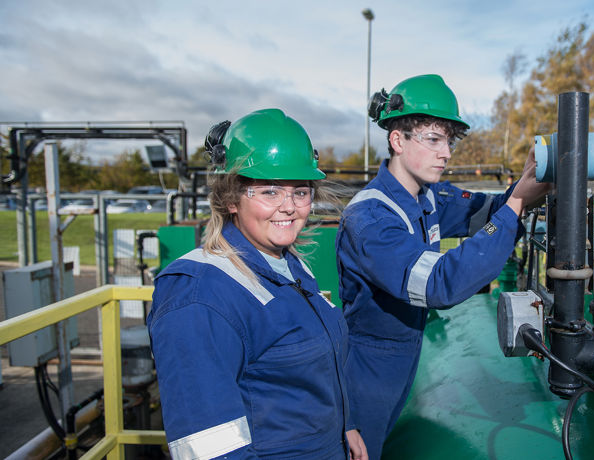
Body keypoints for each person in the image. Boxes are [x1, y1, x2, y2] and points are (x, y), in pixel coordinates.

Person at [336, 74, 551, 458]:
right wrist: (517, 204)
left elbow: (489, 211)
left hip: (405, 356)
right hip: (369, 368)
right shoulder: (370, 218)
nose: (447, 153)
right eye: (433, 139)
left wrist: (525, 185)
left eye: (448, 140)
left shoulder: (428, 195)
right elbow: (439, 283)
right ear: (397, 140)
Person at [148, 108, 366, 459]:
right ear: (231, 198)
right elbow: (210, 448)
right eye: (269, 191)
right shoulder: (198, 297)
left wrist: (345, 425)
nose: (290, 207)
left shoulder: (286, 264)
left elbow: (305, 375)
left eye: (300, 191)